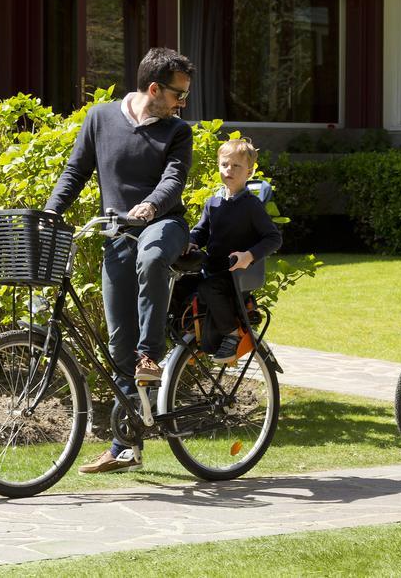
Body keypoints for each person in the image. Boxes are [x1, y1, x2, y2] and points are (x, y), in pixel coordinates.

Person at [44, 47, 195, 474]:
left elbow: (173, 180)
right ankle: (125, 445)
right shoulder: (101, 118)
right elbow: (75, 171)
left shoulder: (177, 131)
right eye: (178, 95)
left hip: (163, 226)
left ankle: (152, 356)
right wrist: (52, 211)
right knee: (117, 344)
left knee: (151, 258)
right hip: (118, 233)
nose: (182, 104)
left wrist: (149, 206)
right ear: (154, 89)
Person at [187, 139, 282, 363]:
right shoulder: (213, 202)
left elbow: (273, 238)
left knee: (209, 288)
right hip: (212, 267)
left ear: (248, 172)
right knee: (183, 288)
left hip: (235, 274)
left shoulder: (251, 205)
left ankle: (231, 334)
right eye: (224, 165)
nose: (229, 170)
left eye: (236, 166)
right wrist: (191, 241)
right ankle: (193, 339)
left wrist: (249, 256)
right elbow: (201, 231)